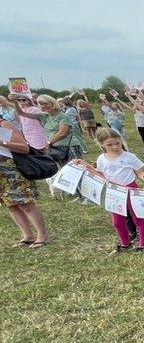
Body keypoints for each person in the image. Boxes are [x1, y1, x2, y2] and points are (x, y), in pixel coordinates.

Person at [76, 128, 144, 252]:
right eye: (110, 145)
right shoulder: (101, 158)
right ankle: (125, 243)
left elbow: (140, 172)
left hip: (130, 188)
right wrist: (86, 165)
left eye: (117, 143)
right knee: (117, 221)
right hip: (114, 192)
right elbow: (101, 174)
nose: (115, 147)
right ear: (102, 145)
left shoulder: (129, 156)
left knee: (138, 218)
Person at [0, 117, 49, 248]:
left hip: (11, 170)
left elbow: (24, 148)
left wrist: (2, 143)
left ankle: (41, 235)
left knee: (25, 203)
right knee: (10, 205)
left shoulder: (3, 124)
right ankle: (27, 235)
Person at [16, 95, 84, 166]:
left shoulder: (64, 117)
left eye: (46, 103)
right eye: (41, 104)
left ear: (53, 103)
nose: (43, 106)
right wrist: (15, 102)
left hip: (70, 147)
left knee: (75, 168)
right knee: (62, 171)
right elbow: (21, 113)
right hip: (56, 148)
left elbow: (62, 133)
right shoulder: (44, 116)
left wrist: (48, 142)